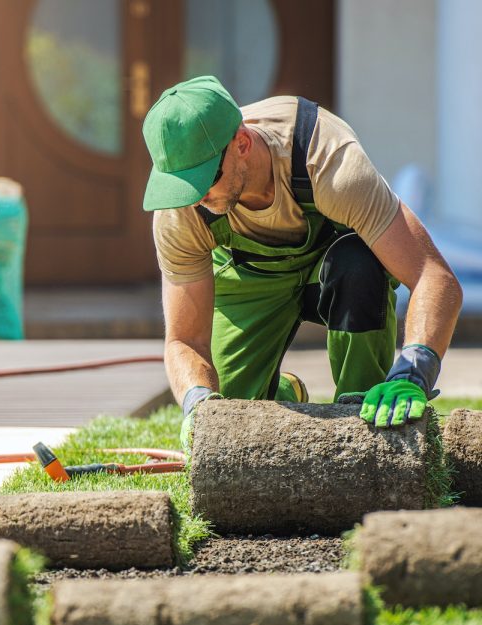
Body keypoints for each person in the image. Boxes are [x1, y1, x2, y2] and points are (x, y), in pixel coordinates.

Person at [141, 76, 463, 447]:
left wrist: (414, 370)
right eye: (182, 185)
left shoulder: (328, 161)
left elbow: (432, 276)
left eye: (204, 180)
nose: (195, 198)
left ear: (242, 144)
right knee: (228, 422)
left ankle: (362, 413)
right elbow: (184, 339)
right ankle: (284, 391)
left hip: (333, 270)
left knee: (358, 263)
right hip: (249, 277)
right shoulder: (179, 211)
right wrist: (197, 402)